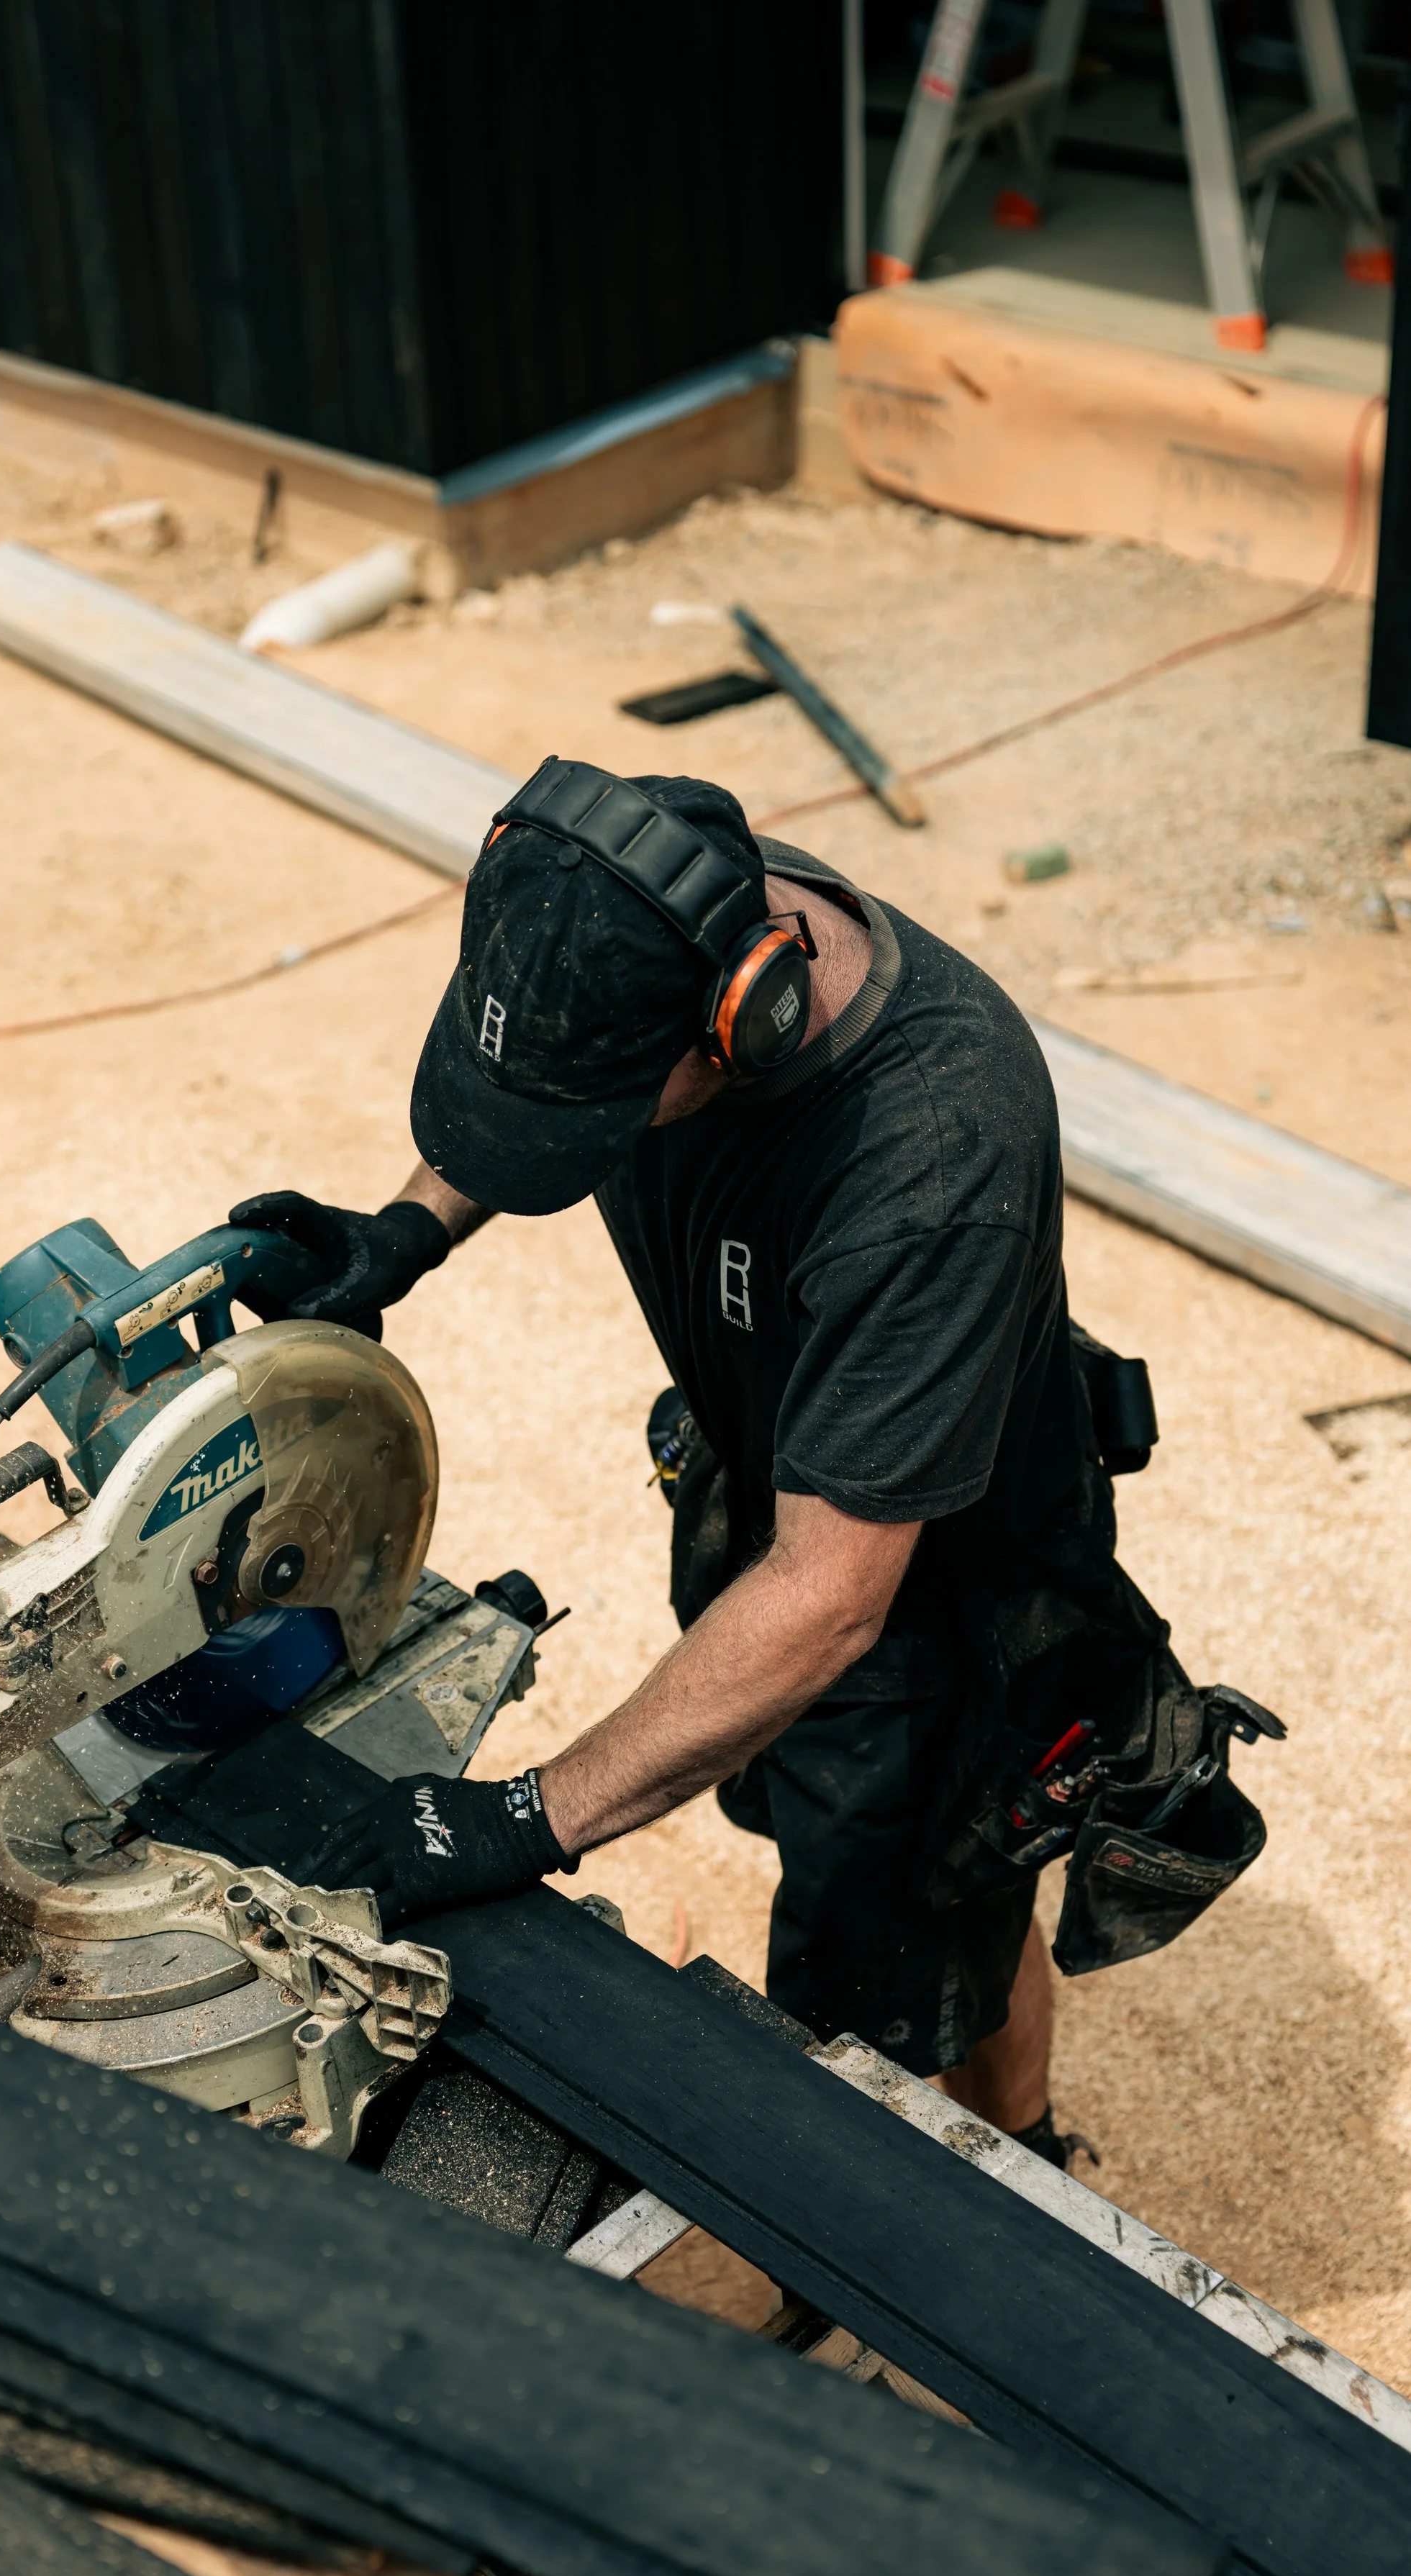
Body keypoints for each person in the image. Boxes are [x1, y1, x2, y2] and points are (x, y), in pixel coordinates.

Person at [219, 760, 1271, 2161]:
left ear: (744, 1024)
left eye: (596, 1124)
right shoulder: (643, 896)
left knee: (905, 1949)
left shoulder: (926, 1163)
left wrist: (522, 1817)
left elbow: (831, 1594)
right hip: (773, 1464)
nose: (580, 1148)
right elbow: (541, 1069)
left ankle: (1018, 2162)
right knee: (818, 1827)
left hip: (925, 1601)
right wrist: (407, 1229)